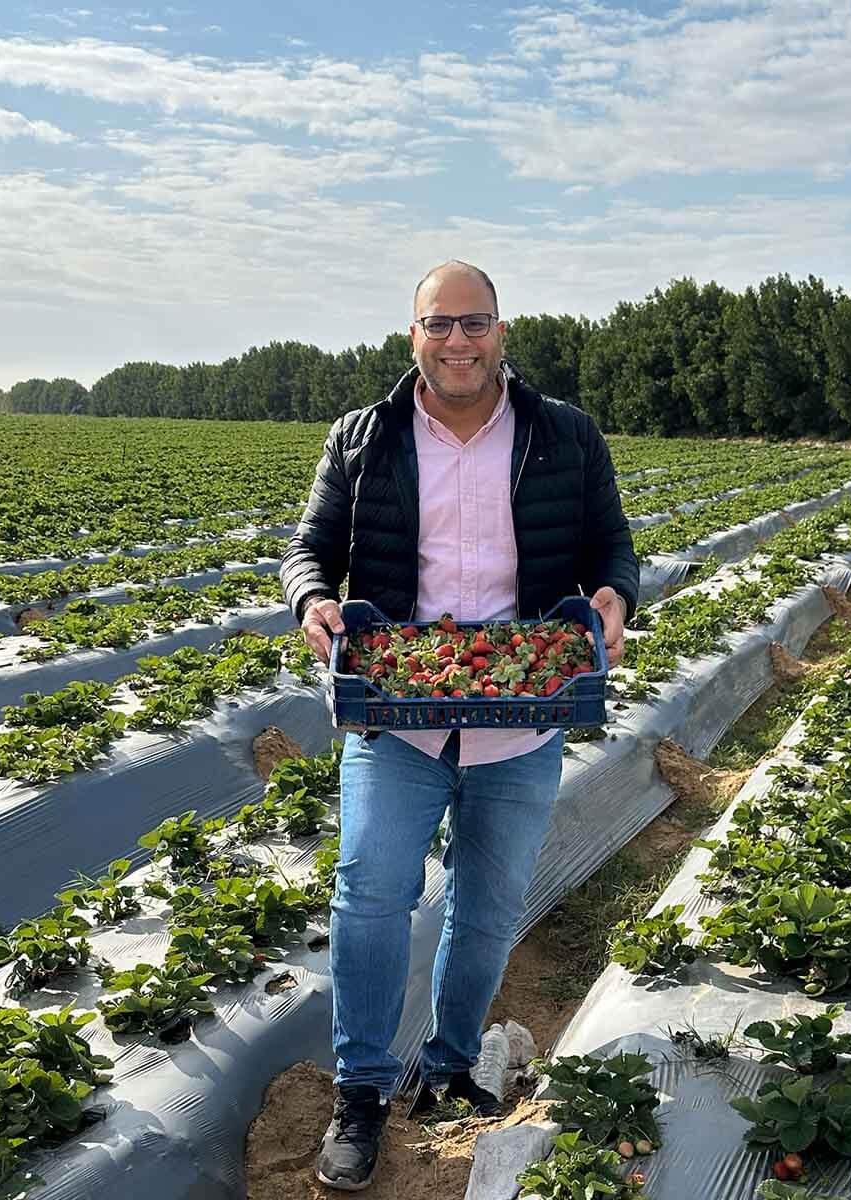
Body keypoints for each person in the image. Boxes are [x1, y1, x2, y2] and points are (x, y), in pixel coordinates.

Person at [279, 260, 639, 1191]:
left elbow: (612, 546)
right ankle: (360, 1091)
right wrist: (315, 599)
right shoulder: (363, 439)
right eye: (438, 325)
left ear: (500, 331)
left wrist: (613, 596)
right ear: (414, 337)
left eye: (473, 324)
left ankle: (444, 1067)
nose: (457, 342)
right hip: (397, 708)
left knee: (486, 907)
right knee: (369, 891)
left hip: (523, 709)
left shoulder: (565, 436)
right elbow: (309, 547)